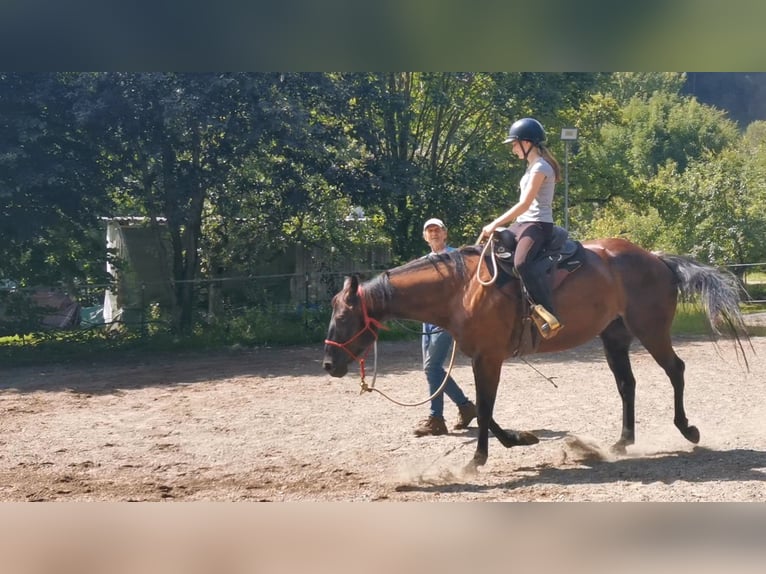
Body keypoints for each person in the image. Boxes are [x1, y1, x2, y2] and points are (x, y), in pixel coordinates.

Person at [479, 117, 564, 339]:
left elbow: (525, 204)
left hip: (537, 224)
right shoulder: (531, 167)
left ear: (527, 143)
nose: (513, 149)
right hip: (523, 223)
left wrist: (495, 223)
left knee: (521, 262)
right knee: (496, 249)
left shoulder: (541, 167)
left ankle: (548, 315)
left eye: (515, 144)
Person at [413, 217, 477, 437]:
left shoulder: (455, 257)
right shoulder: (421, 262)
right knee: (432, 369)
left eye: (437, 230)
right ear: (425, 236)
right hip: (428, 320)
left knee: (432, 367)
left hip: (448, 320)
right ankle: (465, 407)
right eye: (429, 230)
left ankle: (437, 418)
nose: (434, 234)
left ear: (445, 233)